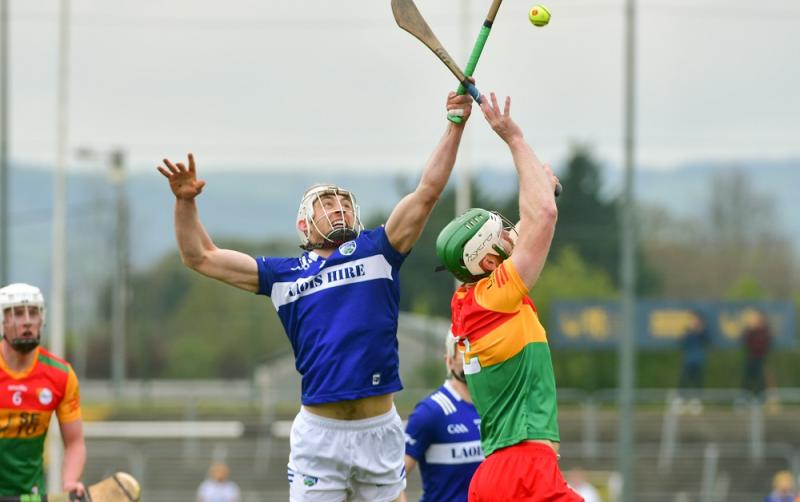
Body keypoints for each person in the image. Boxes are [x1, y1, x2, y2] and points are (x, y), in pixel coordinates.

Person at [157, 90, 474, 502]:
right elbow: (198, 255)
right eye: (327, 203)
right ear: (303, 225)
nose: (339, 208)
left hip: (379, 431)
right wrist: (185, 203)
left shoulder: (380, 250)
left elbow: (428, 190)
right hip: (320, 438)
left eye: (343, 202)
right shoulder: (283, 274)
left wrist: (455, 123)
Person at [435, 92, 581, 502]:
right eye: (500, 235)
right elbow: (542, 218)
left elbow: (534, 217)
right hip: (525, 468)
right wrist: (513, 138)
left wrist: (540, 185)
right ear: (486, 260)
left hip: (497, 473)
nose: (510, 232)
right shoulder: (494, 297)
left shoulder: (474, 298)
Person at [0, 283, 86, 497]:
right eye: (18, 313)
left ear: (42, 319)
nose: (27, 320)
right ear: (3, 321)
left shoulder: (60, 375)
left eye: (34, 312)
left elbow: (75, 442)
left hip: (31, 495)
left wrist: (69, 482)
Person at [402, 330, 483, 502]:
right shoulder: (431, 411)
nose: (471, 354)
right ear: (449, 361)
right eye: (462, 347)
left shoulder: (496, 408)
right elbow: (391, 481)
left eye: (475, 346)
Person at [676, 310, 710, 413]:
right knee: (683, 380)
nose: (694, 322)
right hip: (688, 360)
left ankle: (696, 402)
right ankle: (680, 401)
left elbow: (708, 342)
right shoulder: (687, 332)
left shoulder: (703, 332)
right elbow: (681, 344)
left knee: (697, 381)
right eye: (692, 320)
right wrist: (687, 334)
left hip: (698, 360)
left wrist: (701, 332)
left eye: (696, 320)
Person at [741, 309, 771, 401]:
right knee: (747, 379)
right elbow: (745, 342)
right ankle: (744, 399)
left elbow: (765, 344)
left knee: (761, 381)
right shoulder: (750, 331)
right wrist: (750, 330)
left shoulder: (765, 331)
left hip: (761, 359)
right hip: (751, 358)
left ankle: (761, 399)